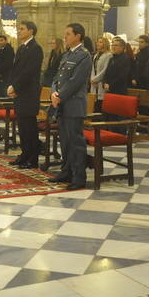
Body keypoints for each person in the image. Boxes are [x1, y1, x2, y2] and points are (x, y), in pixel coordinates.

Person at [49, 23, 92, 190]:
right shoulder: (67, 55)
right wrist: (53, 93)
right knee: (65, 141)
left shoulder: (84, 56)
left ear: (78, 36)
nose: (64, 37)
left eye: (68, 34)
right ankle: (66, 171)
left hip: (74, 104)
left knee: (75, 142)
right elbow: (56, 78)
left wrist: (59, 96)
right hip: (61, 104)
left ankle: (79, 177)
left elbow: (76, 81)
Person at [7, 21, 44, 168]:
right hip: (20, 93)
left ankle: (32, 159)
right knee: (22, 127)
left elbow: (29, 72)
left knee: (29, 128)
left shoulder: (35, 48)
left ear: (31, 31)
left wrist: (15, 86)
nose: (19, 31)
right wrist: (12, 85)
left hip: (29, 93)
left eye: (22, 29)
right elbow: (15, 70)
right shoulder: (22, 48)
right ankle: (24, 154)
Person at [90, 37, 113, 111]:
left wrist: (96, 79)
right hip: (94, 83)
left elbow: (105, 70)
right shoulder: (96, 55)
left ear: (105, 44)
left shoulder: (108, 55)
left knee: (101, 102)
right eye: (97, 42)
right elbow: (93, 69)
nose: (98, 43)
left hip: (101, 82)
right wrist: (92, 79)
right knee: (94, 103)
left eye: (100, 42)